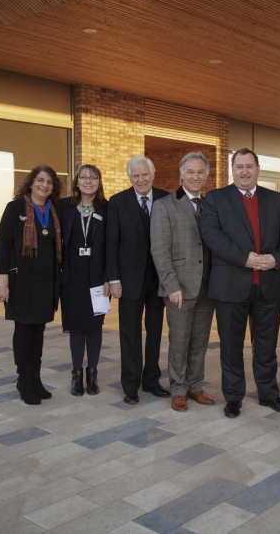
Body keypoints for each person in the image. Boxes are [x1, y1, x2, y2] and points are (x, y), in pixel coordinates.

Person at [201, 147, 280, 418]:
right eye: (239, 166)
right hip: (231, 285)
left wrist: (276, 258)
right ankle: (233, 397)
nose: (245, 171)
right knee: (231, 347)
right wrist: (247, 259)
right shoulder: (216, 199)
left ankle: (268, 394)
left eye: (249, 166)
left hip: (269, 285)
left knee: (266, 347)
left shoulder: (275, 199)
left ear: (257, 169)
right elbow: (211, 234)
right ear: (233, 170)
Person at [150, 152, 216, 412]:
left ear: (206, 175)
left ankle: (195, 385)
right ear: (181, 174)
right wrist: (170, 285)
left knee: (200, 339)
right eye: (190, 172)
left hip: (208, 286)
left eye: (200, 172)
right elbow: (160, 250)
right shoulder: (165, 205)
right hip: (179, 287)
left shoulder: (211, 204)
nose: (195, 176)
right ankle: (178, 388)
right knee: (179, 340)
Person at [0, 165, 62, 405]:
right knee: (24, 332)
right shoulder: (15, 209)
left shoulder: (53, 211)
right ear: (31, 182)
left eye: (50, 182)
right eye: (40, 180)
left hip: (45, 283)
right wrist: (3, 283)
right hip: (22, 282)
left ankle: (35, 379)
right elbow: (4, 246)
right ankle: (24, 381)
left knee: (38, 333)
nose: (45, 185)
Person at [107, 156, 170, 404]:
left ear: (153, 176)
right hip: (129, 279)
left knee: (155, 332)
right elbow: (111, 245)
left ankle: (152, 380)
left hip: (159, 279)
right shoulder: (117, 202)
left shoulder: (167, 199)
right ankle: (130, 385)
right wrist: (113, 279)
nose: (141, 180)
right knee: (130, 334)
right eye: (136, 176)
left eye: (145, 175)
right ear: (130, 178)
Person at [60, 164, 110, 396]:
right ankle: (76, 374)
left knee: (94, 326)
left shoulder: (108, 209)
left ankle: (92, 374)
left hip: (98, 279)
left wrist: (111, 277)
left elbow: (113, 246)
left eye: (93, 177)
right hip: (71, 278)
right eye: (83, 177)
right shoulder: (64, 207)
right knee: (76, 328)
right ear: (76, 182)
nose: (88, 181)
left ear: (99, 182)